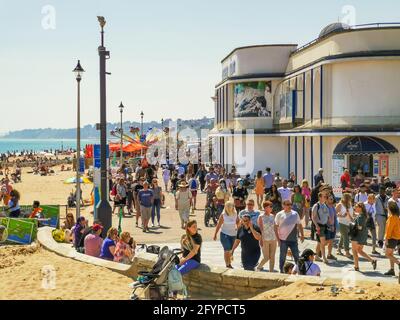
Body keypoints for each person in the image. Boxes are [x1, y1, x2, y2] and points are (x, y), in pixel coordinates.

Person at [275, 199, 304, 273]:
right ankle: (282, 271)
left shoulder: (295, 214)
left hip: (293, 239)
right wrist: (278, 239)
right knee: (282, 257)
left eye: (290, 204)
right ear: (283, 205)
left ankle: (299, 271)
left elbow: (299, 224)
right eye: (287, 204)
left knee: (296, 256)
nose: (290, 206)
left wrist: (302, 235)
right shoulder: (279, 214)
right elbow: (275, 227)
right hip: (283, 239)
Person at [351, 202, 378, 272]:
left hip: (357, 236)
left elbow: (360, 227)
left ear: (360, 208)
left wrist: (352, 225)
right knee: (360, 251)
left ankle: (356, 267)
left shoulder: (360, 217)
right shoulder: (364, 215)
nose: (355, 208)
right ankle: (372, 260)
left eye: (356, 207)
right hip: (363, 236)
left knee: (354, 251)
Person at [213, 201, 239, 268]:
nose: (233, 207)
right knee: (227, 249)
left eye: (233, 206)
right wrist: (215, 234)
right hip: (225, 234)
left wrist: (238, 230)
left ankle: (229, 262)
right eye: (231, 206)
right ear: (227, 207)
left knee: (231, 250)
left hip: (233, 235)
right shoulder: (223, 215)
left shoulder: (235, 214)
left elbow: (238, 223)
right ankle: (227, 264)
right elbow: (218, 225)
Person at [257, 201, 277, 272]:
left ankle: (271, 271)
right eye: (270, 206)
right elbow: (260, 229)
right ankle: (259, 267)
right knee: (266, 257)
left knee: (272, 257)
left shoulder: (273, 216)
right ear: (265, 208)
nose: (272, 208)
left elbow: (275, 228)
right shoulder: (260, 217)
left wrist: (277, 238)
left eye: (272, 206)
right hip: (265, 239)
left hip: (273, 238)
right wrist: (261, 239)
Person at [311, 192, 329, 264]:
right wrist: (316, 226)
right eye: (324, 196)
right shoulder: (316, 206)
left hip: (324, 225)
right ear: (320, 197)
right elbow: (313, 217)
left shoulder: (325, 205)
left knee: (319, 242)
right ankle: (324, 257)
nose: (325, 198)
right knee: (322, 242)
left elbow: (327, 215)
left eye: (326, 197)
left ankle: (316, 256)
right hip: (319, 226)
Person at [383, 202, 400, 278]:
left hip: (391, 238)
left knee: (387, 254)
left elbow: (389, 229)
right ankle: (392, 269)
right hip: (395, 238)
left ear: (390, 208)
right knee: (391, 254)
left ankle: (398, 263)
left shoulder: (392, 217)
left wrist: (386, 238)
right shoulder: (396, 217)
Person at [336, 193, 354, 259]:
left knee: (343, 236)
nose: (350, 199)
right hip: (342, 223)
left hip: (349, 223)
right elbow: (334, 213)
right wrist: (341, 215)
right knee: (346, 237)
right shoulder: (340, 205)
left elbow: (352, 213)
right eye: (349, 197)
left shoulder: (349, 204)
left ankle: (339, 249)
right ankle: (347, 252)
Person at [325, 195, 338, 260]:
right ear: (326, 200)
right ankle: (319, 251)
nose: (332, 200)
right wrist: (330, 226)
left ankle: (329, 254)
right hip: (327, 227)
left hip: (333, 227)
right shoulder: (325, 207)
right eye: (330, 199)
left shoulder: (332, 207)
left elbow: (335, 217)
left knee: (331, 242)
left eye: (332, 199)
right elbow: (326, 218)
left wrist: (335, 226)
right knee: (325, 242)